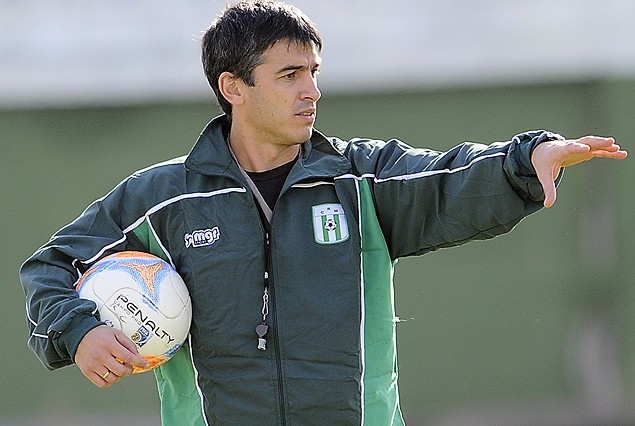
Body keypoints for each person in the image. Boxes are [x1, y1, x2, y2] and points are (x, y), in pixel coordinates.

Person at [20, 1, 627, 425]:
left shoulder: (360, 180)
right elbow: (50, 268)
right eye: (289, 75)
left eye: (313, 72)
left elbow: (448, 176)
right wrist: (80, 332)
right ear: (234, 87)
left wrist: (525, 159)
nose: (311, 90)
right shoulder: (165, 201)